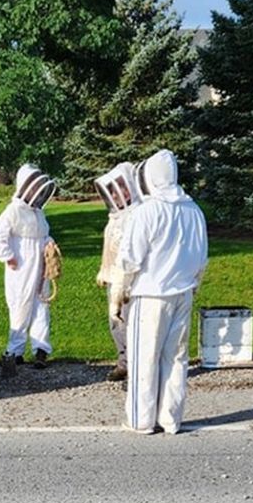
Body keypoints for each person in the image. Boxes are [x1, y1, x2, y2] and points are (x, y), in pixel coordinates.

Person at [112, 150, 207, 434]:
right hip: (183, 293)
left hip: (150, 296)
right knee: (176, 358)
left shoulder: (146, 212)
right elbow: (201, 257)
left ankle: (140, 420)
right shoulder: (194, 211)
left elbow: (129, 259)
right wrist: (194, 285)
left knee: (144, 358)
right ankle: (170, 418)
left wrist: (119, 293)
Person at [0, 164, 57, 377]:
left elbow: (43, 234)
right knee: (20, 306)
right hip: (21, 266)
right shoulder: (12, 211)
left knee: (41, 306)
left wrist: (50, 245)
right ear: (25, 186)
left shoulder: (39, 213)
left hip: (40, 266)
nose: (36, 191)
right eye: (33, 186)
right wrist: (8, 256)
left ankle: (41, 350)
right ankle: (15, 351)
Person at [95, 162, 142, 382]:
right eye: (112, 191)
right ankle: (124, 362)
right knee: (116, 323)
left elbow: (130, 256)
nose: (115, 195)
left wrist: (123, 283)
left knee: (130, 323)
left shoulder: (137, 216)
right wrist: (103, 271)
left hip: (130, 280)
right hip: (114, 277)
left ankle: (135, 367)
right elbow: (110, 249)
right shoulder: (116, 217)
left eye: (120, 189)